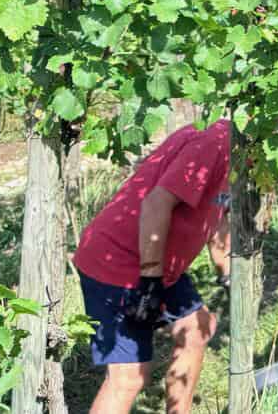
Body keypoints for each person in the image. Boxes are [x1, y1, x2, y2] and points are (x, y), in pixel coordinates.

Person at [74, 119, 231, 414]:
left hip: (158, 262)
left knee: (197, 329)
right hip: (119, 259)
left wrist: (228, 275)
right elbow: (156, 203)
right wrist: (149, 283)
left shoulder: (247, 153)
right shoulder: (215, 142)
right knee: (128, 378)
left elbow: (217, 216)